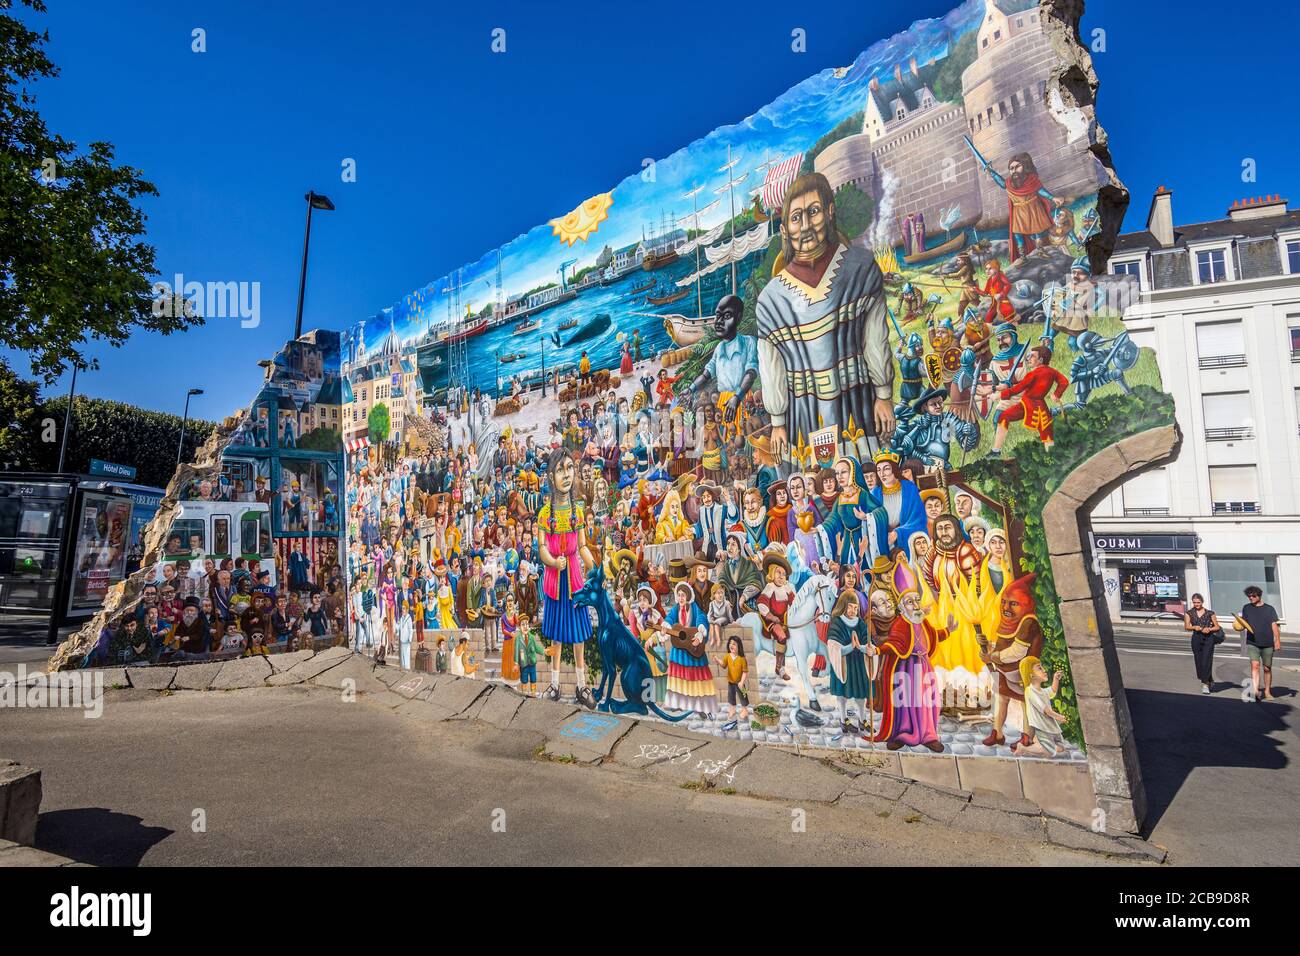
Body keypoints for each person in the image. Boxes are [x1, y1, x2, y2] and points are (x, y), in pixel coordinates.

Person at [755, 171, 895, 463]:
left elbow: (875, 339)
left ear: (830, 213)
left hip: (857, 403)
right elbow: (772, 369)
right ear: (785, 230)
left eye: (813, 212)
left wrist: (883, 394)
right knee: (813, 492)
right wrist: (778, 424)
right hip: (802, 417)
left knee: (864, 478)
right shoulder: (770, 300)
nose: (805, 226)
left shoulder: (860, 267)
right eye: (796, 218)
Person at [1234, 585, 1282, 702]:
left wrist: (1278, 640)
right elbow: (1244, 623)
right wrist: (1238, 626)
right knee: (1255, 666)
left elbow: (1274, 625)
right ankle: (1256, 691)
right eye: (1249, 596)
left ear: (1259, 595)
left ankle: (1267, 691)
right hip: (1252, 642)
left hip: (1267, 643)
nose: (1251, 598)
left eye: (1253, 596)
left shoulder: (1269, 609)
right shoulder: (1246, 608)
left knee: (1267, 668)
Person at [1184, 593, 1221, 694]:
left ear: (1202, 602)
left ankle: (1205, 684)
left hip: (1208, 638)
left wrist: (1209, 629)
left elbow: (1217, 627)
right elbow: (1187, 626)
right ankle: (1210, 680)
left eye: (1198, 602)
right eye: (1195, 602)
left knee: (1206, 660)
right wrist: (1194, 627)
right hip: (1196, 638)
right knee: (1199, 661)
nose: (1197, 604)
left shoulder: (1210, 613)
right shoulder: (1189, 613)